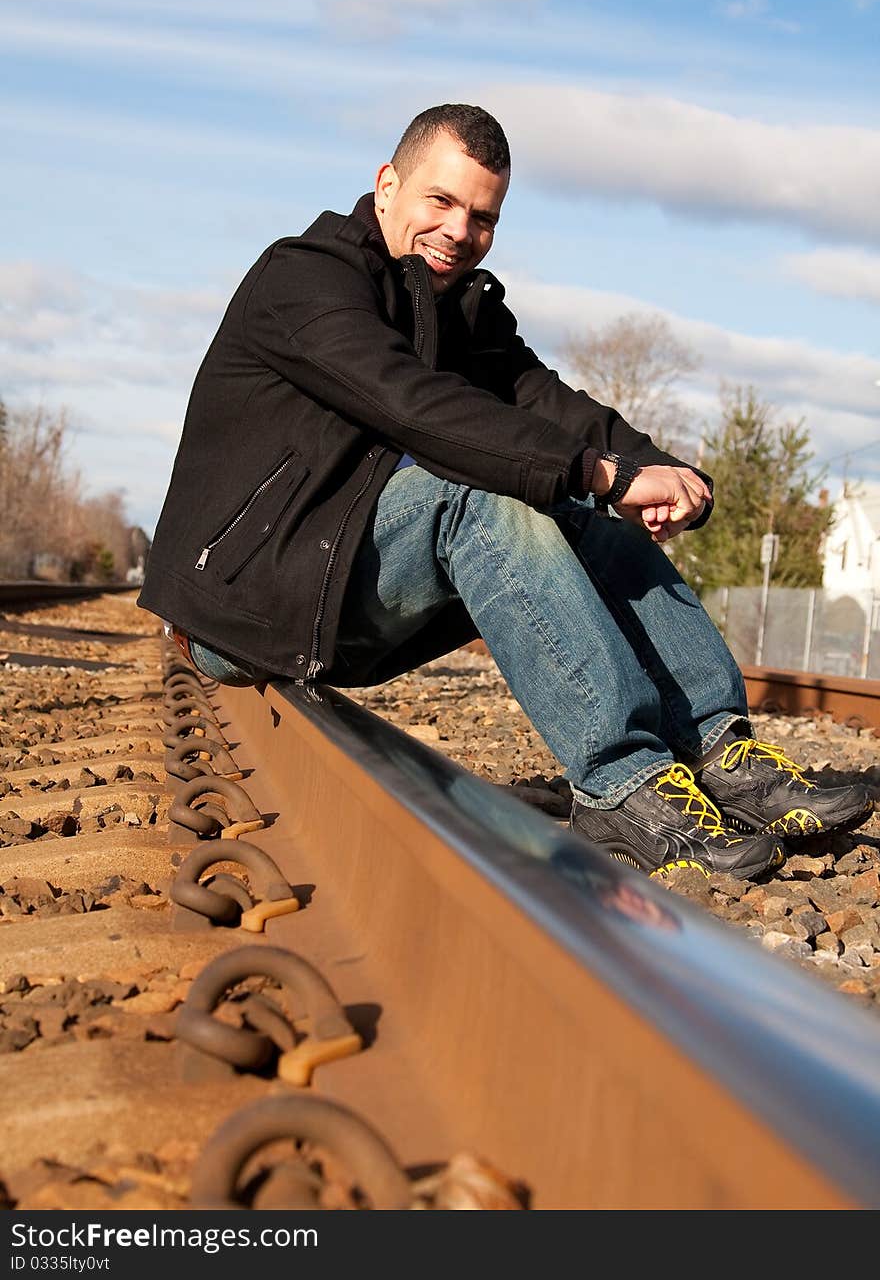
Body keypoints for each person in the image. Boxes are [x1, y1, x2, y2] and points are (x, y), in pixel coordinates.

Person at [138, 103, 873, 881]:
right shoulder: (305, 280)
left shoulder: (461, 309)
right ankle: (620, 785)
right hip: (250, 601)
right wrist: (606, 477)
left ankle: (720, 753)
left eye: (483, 217)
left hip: (337, 584)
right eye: (441, 201)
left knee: (579, 506)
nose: (460, 231)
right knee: (487, 497)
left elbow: (547, 405)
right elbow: (416, 407)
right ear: (387, 185)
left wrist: (663, 472)